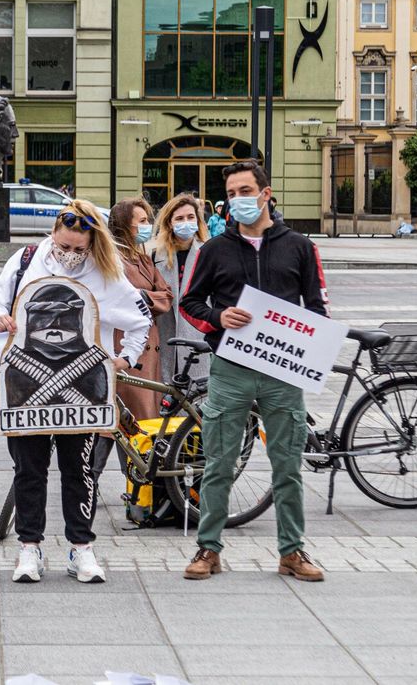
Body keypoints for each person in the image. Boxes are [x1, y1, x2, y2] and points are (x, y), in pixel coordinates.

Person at [0, 199, 150, 584]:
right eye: (63, 246)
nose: (70, 255)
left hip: (84, 388)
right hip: (26, 388)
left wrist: (125, 359)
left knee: (80, 471)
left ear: (93, 244)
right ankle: (30, 548)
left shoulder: (107, 273)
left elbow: (140, 318)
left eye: (79, 249)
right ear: (52, 236)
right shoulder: (28, 259)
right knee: (29, 469)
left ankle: (81, 548)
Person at [179, 161, 328, 582]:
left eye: (246, 190)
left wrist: (308, 352)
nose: (238, 200)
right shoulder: (214, 250)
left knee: (287, 465)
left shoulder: (299, 245)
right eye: (232, 193)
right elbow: (190, 302)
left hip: (282, 370)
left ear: (266, 194)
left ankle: (292, 551)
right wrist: (218, 318)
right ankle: (208, 550)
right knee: (219, 463)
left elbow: (316, 307)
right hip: (232, 368)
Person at [108, 198, 172, 421]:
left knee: (143, 418)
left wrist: (143, 295)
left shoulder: (143, 259)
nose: (147, 226)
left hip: (148, 347)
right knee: (128, 419)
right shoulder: (113, 260)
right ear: (125, 225)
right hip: (127, 346)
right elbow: (120, 299)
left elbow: (167, 295)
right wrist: (149, 297)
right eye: (142, 221)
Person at [150, 193, 211, 384]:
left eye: (190, 217)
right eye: (179, 218)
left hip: (198, 337)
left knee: (197, 399)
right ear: (169, 223)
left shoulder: (209, 253)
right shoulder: (156, 256)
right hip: (165, 337)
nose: (186, 222)